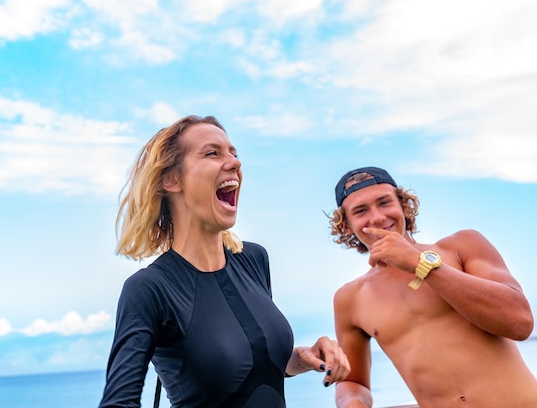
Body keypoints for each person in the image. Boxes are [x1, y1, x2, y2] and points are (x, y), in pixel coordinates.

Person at [99, 115, 350, 408]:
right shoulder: (149, 288)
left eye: (233, 153)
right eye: (212, 153)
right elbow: (118, 403)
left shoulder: (253, 260)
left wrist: (301, 358)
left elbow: (248, 364)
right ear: (171, 179)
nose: (234, 162)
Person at [327, 166, 537, 408]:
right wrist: (351, 401)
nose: (376, 217)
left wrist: (420, 264)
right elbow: (354, 383)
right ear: (346, 226)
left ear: (403, 206)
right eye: (361, 211)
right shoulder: (350, 299)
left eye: (384, 203)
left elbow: (520, 323)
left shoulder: (462, 247)